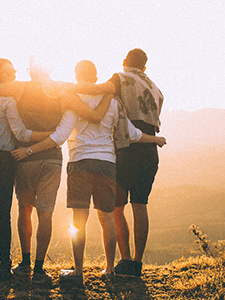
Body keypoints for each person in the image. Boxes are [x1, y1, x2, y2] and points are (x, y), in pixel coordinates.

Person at [12, 60, 165, 283]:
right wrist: (155, 139)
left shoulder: (74, 100)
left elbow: (59, 137)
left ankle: (78, 271)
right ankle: (110, 269)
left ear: (76, 76)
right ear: (95, 78)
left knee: (79, 220)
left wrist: (29, 150)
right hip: (107, 164)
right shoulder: (112, 101)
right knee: (107, 219)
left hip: (80, 163)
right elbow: (131, 133)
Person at [0, 56, 112, 284]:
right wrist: (109, 91)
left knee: (25, 208)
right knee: (45, 213)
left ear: (31, 72)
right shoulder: (62, 90)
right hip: (52, 157)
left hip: (24, 156)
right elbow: (91, 109)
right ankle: (39, 269)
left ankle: (25, 263)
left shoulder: (19, 88)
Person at [69, 49, 164, 277]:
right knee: (140, 205)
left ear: (124, 63)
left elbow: (97, 90)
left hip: (126, 149)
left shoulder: (120, 78)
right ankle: (137, 264)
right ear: (145, 66)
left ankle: (125, 261)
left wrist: (63, 88)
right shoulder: (155, 88)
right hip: (149, 151)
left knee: (117, 208)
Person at [0, 58, 51, 281]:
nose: (14, 74)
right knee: (2, 216)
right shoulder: (8, 101)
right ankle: (5, 268)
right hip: (1, 161)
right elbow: (21, 134)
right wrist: (49, 135)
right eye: (9, 72)